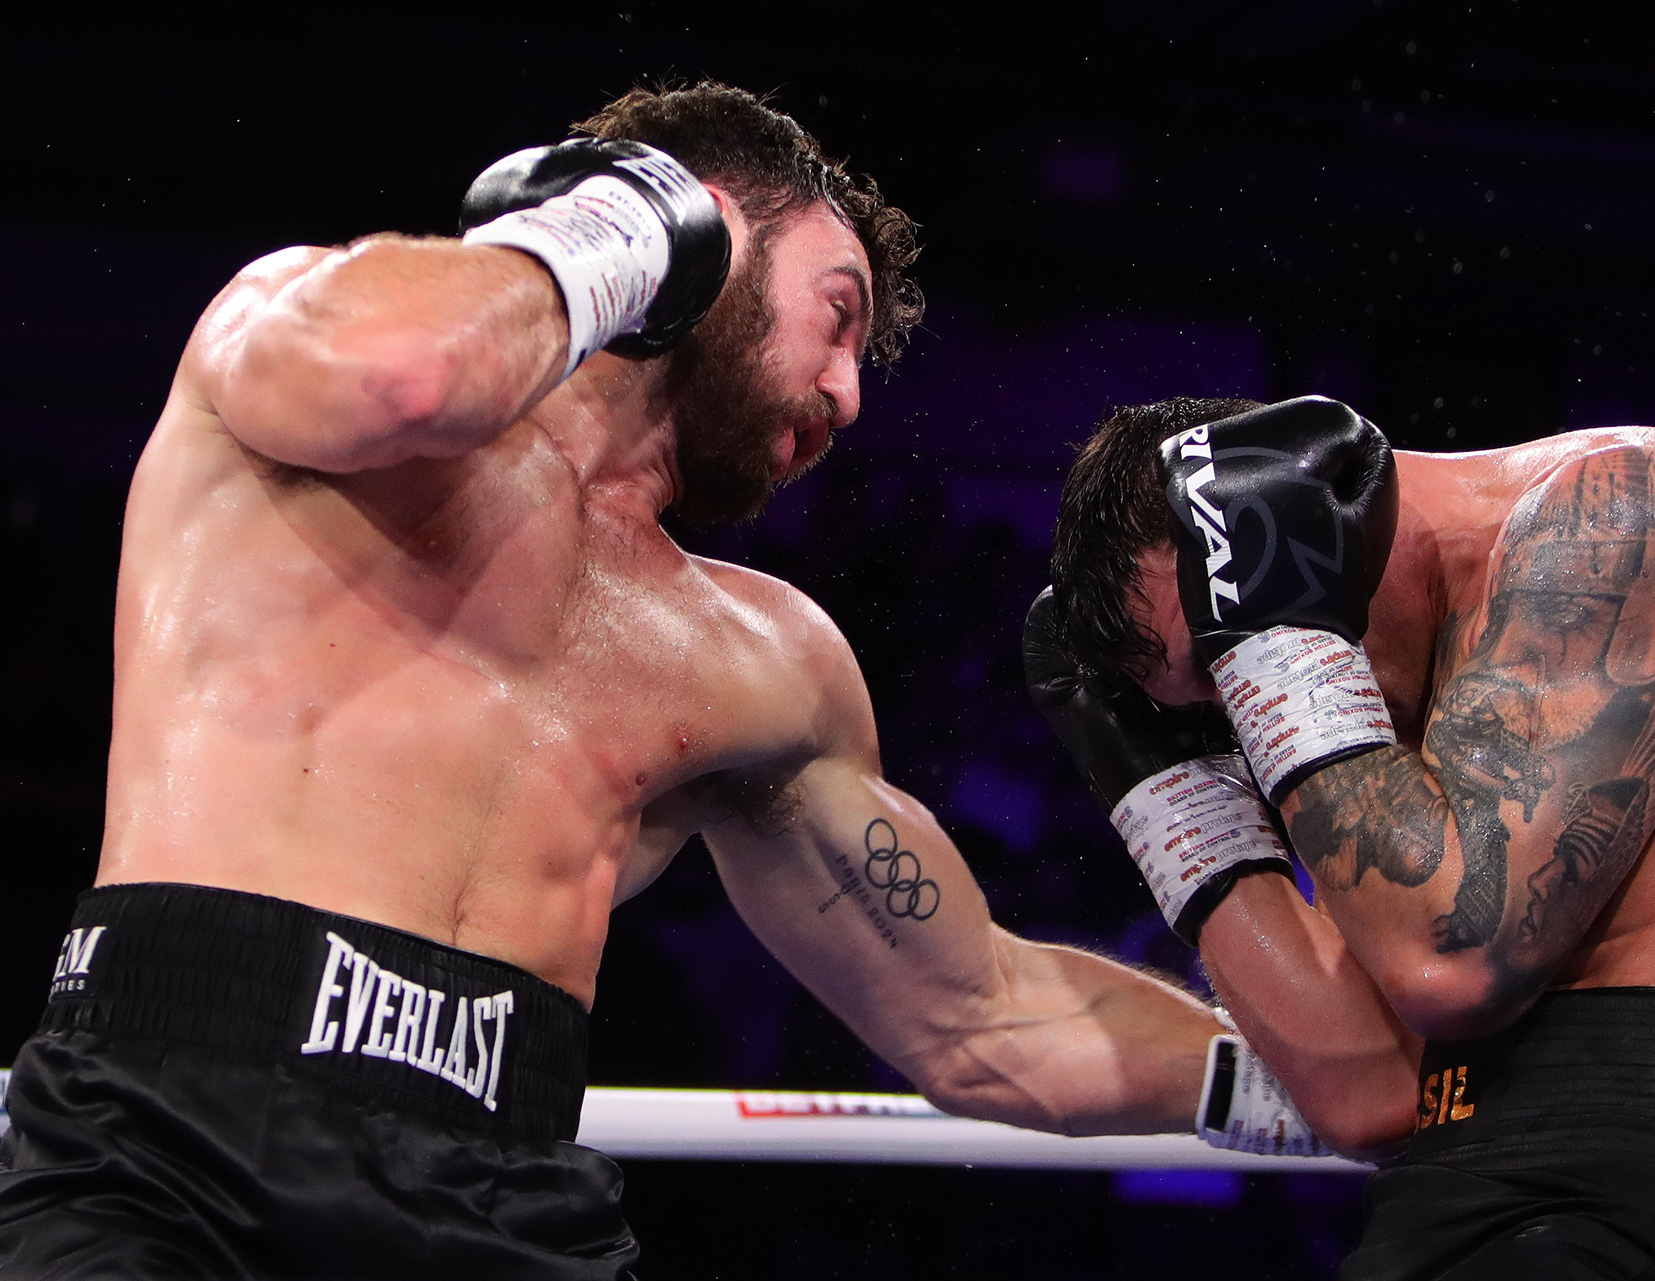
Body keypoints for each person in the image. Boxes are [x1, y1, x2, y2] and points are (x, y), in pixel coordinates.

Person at [0, 85, 1316, 1279]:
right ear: (701, 232)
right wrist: (622, 224)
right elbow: (409, 374)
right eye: (837, 318)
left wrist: (1319, 1078)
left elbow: (983, 1018)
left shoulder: (761, 658)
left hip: (501, 1197)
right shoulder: (295, 332)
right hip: (168, 1145)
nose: (848, 395)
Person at [1028, 394, 1655, 1279]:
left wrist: (1276, 643)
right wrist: (1180, 805)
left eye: (1233, 649)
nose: (1253, 701)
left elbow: (1452, 963)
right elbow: (1371, 1092)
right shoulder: (1366, 725)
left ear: (1292, 527)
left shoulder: (1622, 509)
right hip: (1466, 1186)